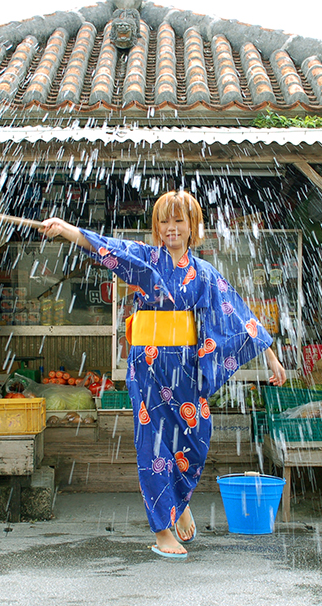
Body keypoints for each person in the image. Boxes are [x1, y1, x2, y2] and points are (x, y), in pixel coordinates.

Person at [41, 190, 287, 559]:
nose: (171, 228)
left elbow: (235, 314)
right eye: (164, 221)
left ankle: (180, 499)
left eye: (179, 221)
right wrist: (68, 231)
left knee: (197, 433)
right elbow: (108, 248)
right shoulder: (146, 257)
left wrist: (270, 356)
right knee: (153, 444)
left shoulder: (203, 272)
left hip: (186, 366)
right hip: (149, 367)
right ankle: (161, 529)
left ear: (192, 227)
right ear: (156, 227)